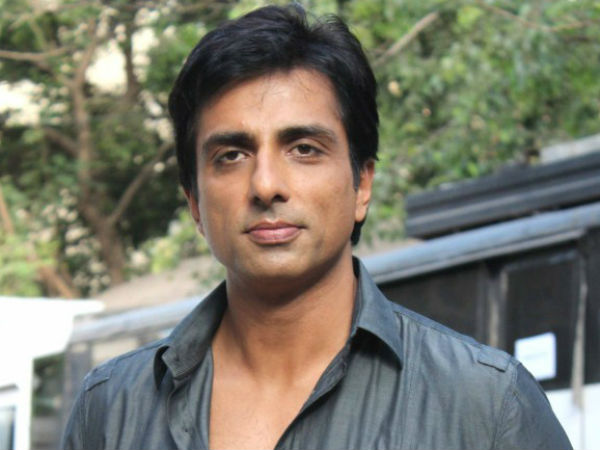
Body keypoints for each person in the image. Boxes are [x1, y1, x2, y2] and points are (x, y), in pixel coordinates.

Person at [61, 4, 572, 450]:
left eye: (304, 149)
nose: (266, 185)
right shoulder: (111, 409)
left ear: (362, 184)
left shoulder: (486, 405)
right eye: (232, 155)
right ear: (194, 201)